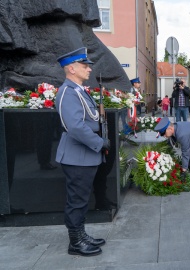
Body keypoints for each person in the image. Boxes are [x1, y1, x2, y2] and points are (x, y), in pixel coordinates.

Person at [55, 47, 109, 256]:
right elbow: (75, 127)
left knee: (82, 199)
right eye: (84, 66)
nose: (88, 69)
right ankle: (75, 242)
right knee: (76, 200)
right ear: (71, 68)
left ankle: (81, 233)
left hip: (84, 156)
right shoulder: (68, 92)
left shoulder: (78, 90)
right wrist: (99, 142)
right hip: (77, 156)